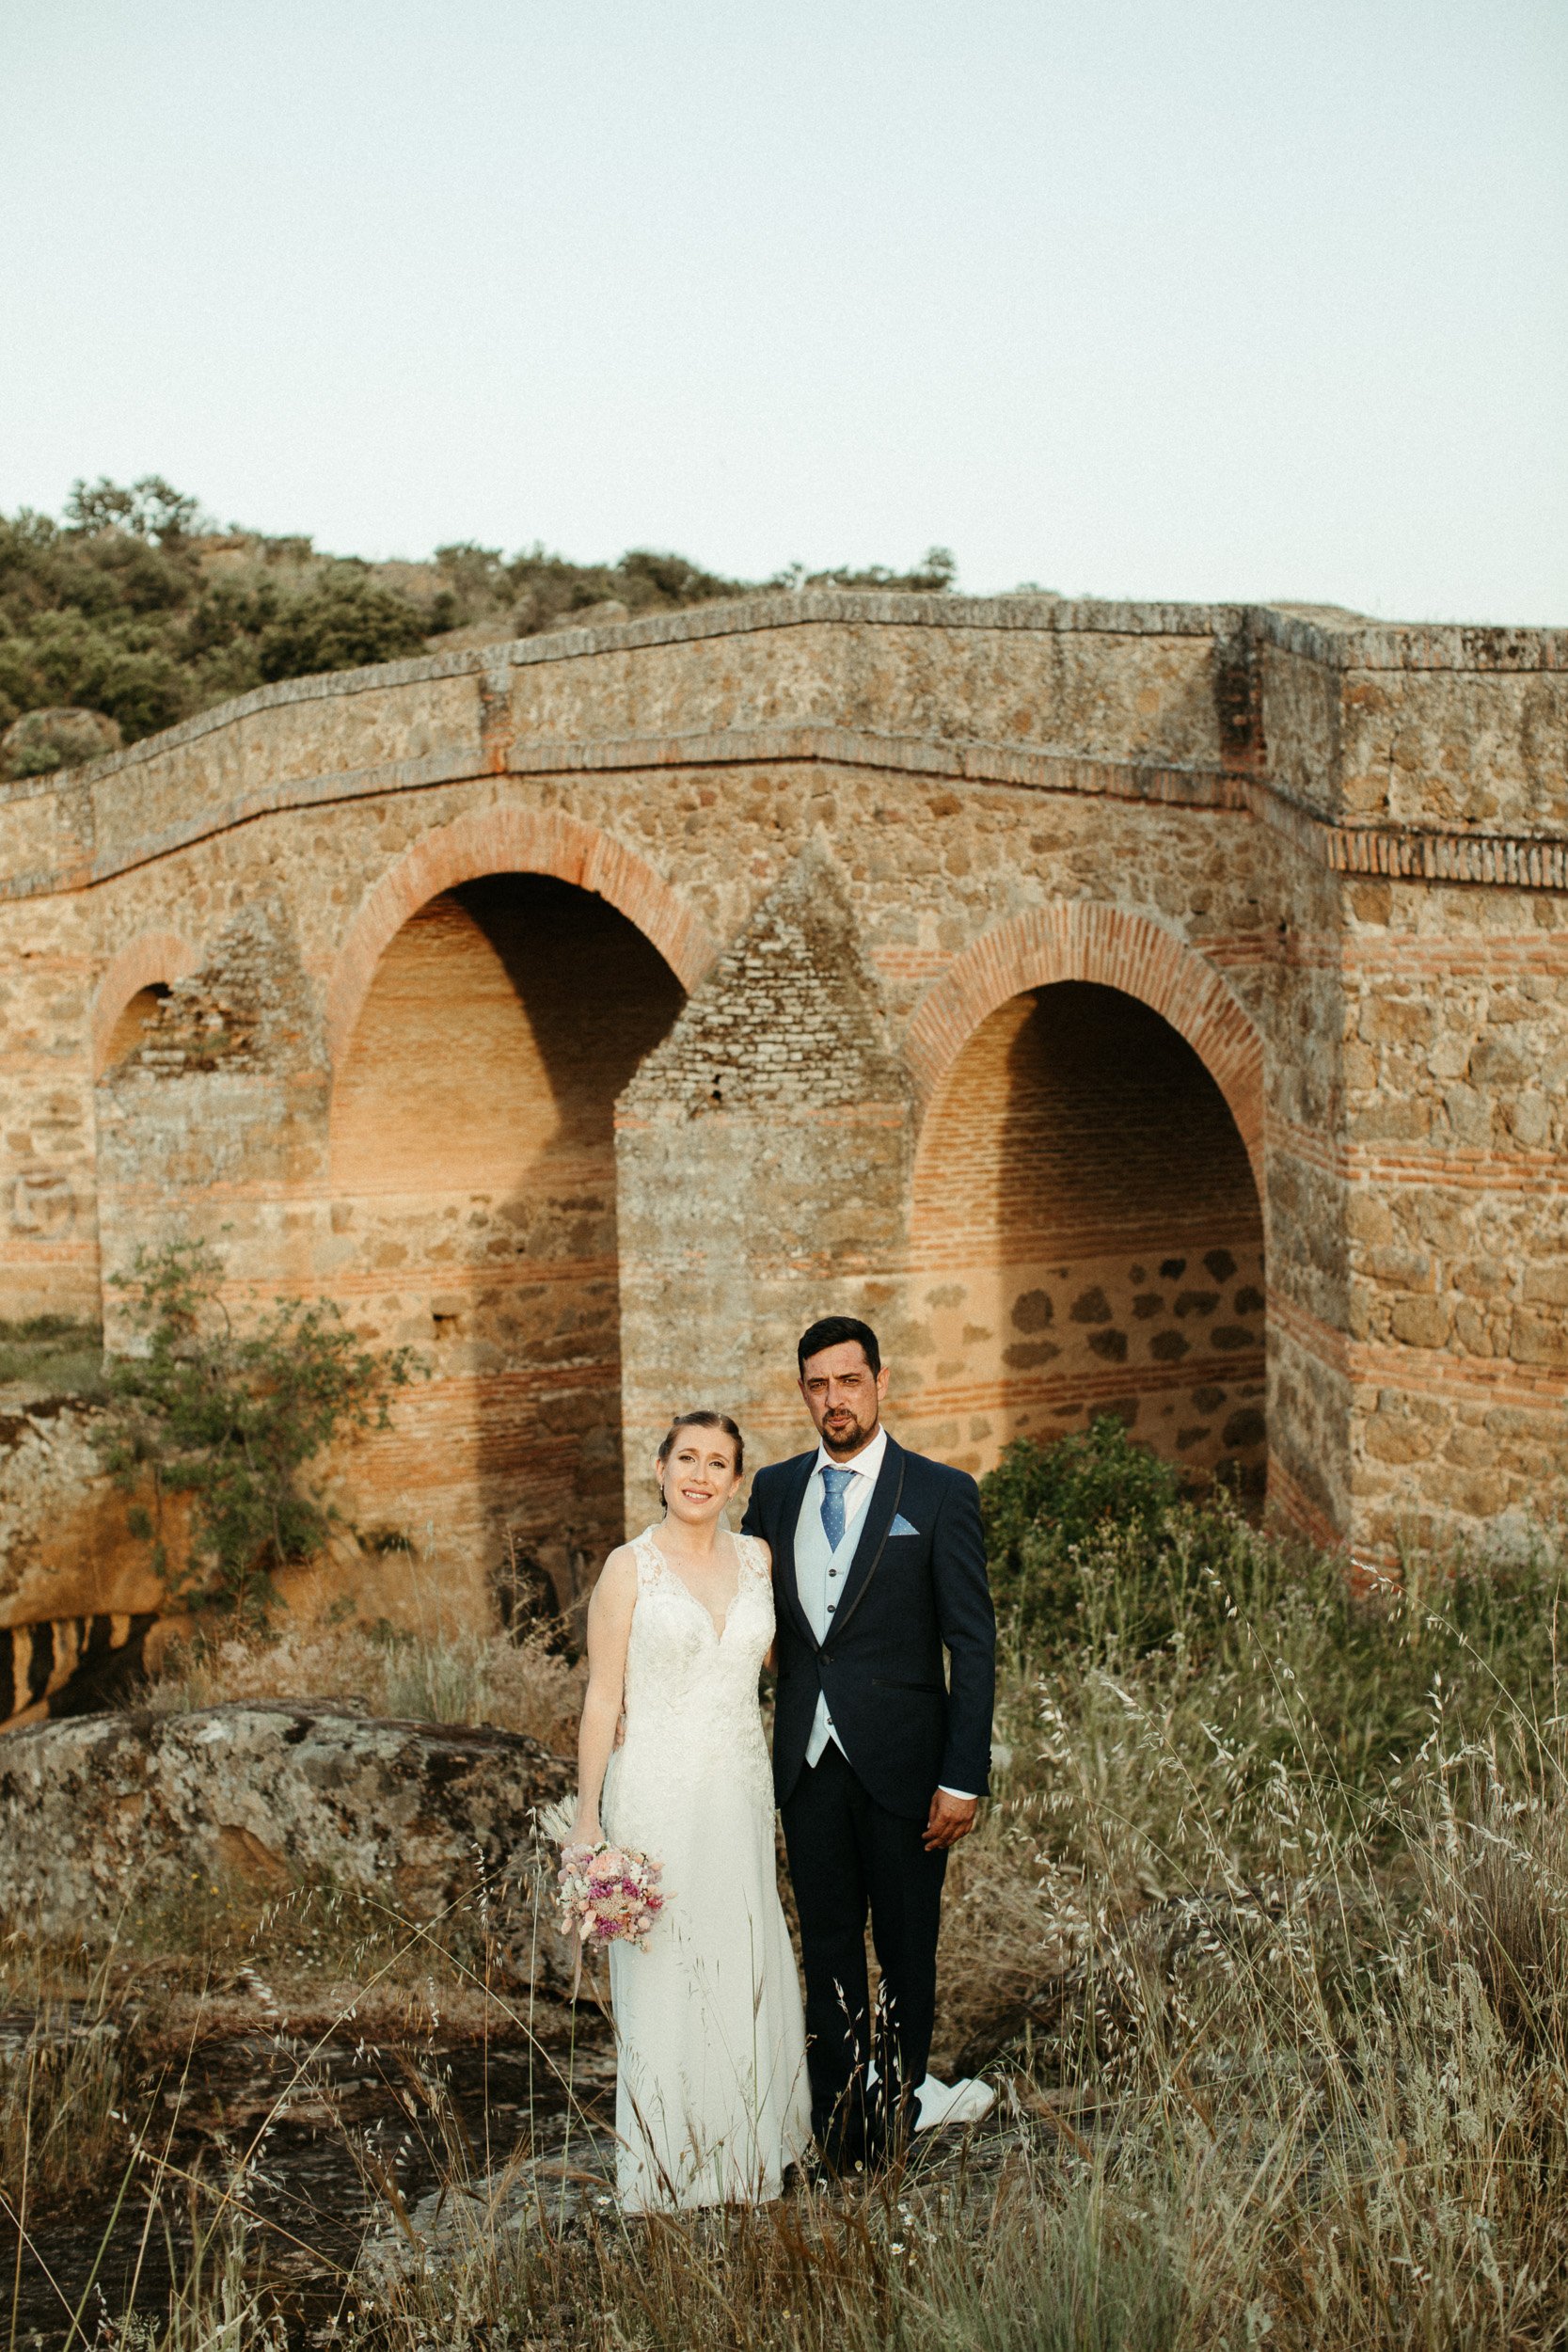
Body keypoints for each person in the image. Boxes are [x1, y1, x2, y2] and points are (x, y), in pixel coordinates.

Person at [741, 1315, 996, 2170]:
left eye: (848, 1382)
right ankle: (842, 2124)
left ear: (879, 1383)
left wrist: (964, 1776)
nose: (833, 1399)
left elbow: (972, 1643)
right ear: (803, 1392)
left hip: (906, 1765)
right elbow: (749, 1620)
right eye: (816, 1384)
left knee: (906, 1948)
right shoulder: (774, 1491)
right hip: (807, 1765)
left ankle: (898, 2109)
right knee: (827, 1949)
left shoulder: (937, 1493)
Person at [571, 1410, 810, 2211]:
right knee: (667, 1967)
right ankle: (668, 2164)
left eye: (718, 1463)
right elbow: (603, 1696)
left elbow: (785, 1662)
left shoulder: (757, 1559)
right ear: (661, 1468)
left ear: (737, 1482)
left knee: (741, 1950)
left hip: (739, 1788)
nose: (700, 1475)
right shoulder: (627, 1568)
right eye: (686, 1459)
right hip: (658, 1789)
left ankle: (745, 2153)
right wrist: (586, 1821)